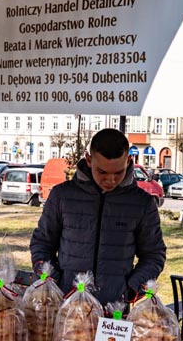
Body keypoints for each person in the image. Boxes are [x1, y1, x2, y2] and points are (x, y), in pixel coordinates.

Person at [30, 128, 166, 306]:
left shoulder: (142, 203)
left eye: (118, 172)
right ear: (89, 160)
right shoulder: (62, 196)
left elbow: (154, 255)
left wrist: (131, 289)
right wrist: (54, 280)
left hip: (114, 310)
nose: (110, 180)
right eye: (102, 172)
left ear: (128, 161)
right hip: (66, 305)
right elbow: (42, 243)